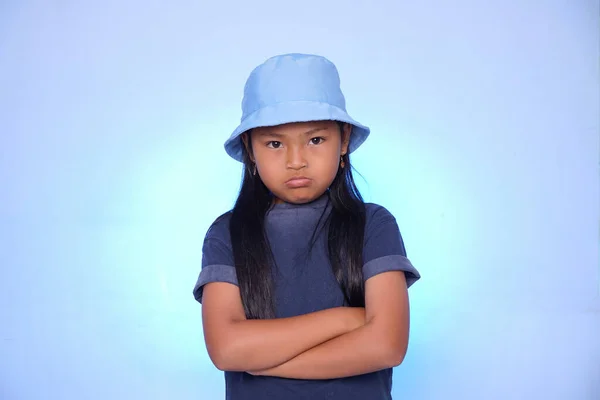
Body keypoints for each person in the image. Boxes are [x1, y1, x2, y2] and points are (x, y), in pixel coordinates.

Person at [193, 53, 420, 400]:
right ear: (250, 150)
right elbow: (226, 350)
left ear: (343, 141)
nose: (296, 161)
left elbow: (386, 346)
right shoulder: (227, 233)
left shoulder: (373, 225)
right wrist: (345, 320)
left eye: (315, 140)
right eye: (274, 143)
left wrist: (259, 359)